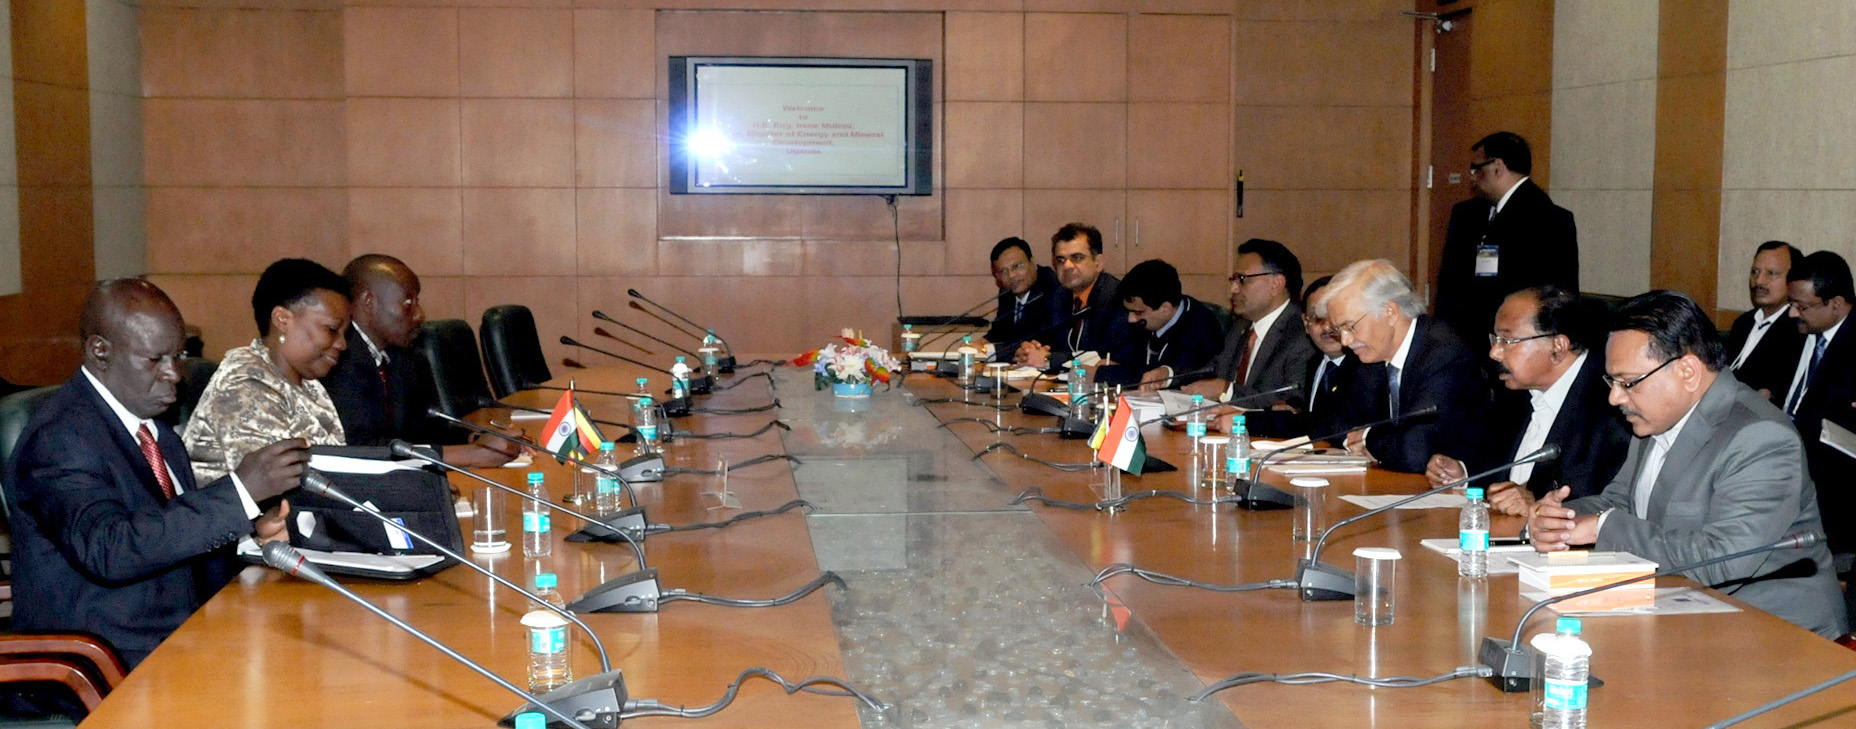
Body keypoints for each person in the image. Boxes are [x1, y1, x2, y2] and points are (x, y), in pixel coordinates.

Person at [5, 279, 309, 668]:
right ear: (100, 351)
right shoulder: (59, 438)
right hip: (101, 662)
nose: (175, 374)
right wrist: (238, 493)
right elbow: (110, 550)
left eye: (178, 355)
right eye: (155, 360)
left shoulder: (156, 432)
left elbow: (172, 542)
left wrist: (251, 536)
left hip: (182, 639)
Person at [1527, 290, 1846, 639]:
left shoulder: (1761, 436)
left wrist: (1602, 528)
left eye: (1628, 382)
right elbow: (1620, 504)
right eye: (1612, 382)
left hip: (1775, 635)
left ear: (1688, 372)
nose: (1615, 397)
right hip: (1687, 614)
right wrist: (1559, 520)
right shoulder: (1655, 418)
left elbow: (1724, 557)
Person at [1423, 287, 1630, 516]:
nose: (1495, 353)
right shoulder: (1515, 396)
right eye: (1495, 339)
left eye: (1508, 340)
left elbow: (1608, 500)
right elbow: (1499, 474)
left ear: (1557, 346)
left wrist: (1537, 505)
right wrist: (1463, 477)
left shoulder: (1610, 407)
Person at [321, 254, 518, 467]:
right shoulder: (337, 360)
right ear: (369, 301)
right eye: (408, 302)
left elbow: (421, 430)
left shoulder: (404, 357)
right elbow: (362, 449)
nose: (419, 315)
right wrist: (467, 454)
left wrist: (476, 440)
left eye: (418, 301)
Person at [1316, 259, 1491, 473]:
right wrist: (1368, 440)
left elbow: (1416, 453)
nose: (1345, 340)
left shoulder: (1445, 355)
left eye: (1350, 326)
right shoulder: (1369, 356)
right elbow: (1331, 421)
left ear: (1390, 312)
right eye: (1338, 329)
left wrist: (1366, 437)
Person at [184, 259, 350, 483]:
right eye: (332, 330)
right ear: (282, 320)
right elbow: (274, 491)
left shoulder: (307, 383)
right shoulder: (244, 386)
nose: (342, 344)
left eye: (344, 333)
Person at [1433, 131, 1578, 340]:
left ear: (1497, 167)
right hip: (1463, 337)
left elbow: (1557, 294)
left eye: (1476, 168)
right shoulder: (1466, 214)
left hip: (1517, 337)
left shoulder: (1547, 218)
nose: (1472, 177)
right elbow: (1449, 281)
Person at [1780, 251, 1856, 554]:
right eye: (1791, 304)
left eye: (1802, 306)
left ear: (1836, 305)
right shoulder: (1796, 331)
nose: (1792, 314)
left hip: (1835, 481)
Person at [1185, 238, 1317, 407]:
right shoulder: (1242, 326)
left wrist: (1228, 391)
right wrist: (1168, 375)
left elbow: (1293, 398)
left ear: (1276, 284)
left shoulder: (1302, 333)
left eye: (1242, 279)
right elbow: (1212, 369)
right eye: (1233, 280)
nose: (1233, 289)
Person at [1013, 223, 1137, 374]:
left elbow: (1105, 356)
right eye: (1060, 260)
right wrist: (1028, 351)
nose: (1067, 266)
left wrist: (1048, 360)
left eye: (1077, 258)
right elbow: (1044, 341)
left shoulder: (1116, 298)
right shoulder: (1059, 297)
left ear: (1098, 263)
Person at [1108, 259, 1223, 389]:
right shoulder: (1148, 318)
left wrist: (1101, 373)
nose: (1131, 319)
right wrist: (1114, 365)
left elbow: (1163, 373)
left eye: (1137, 312)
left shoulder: (1201, 327)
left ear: (1165, 309)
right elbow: (1130, 359)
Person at [1727, 241, 1806, 403]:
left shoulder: (1798, 330)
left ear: (1793, 280)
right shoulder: (1743, 323)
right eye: (1755, 272)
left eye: (1772, 273)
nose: (1759, 281)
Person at [984, 237, 1062, 362]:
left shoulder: (1051, 288)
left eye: (1017, 266)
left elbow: (1035, 340)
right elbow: (998, 333)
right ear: (997, 276)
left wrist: (987, 351)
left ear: (1032, 262)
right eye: (1003, 271)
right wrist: (974, 346)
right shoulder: (1007, 292)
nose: (1011, 276)